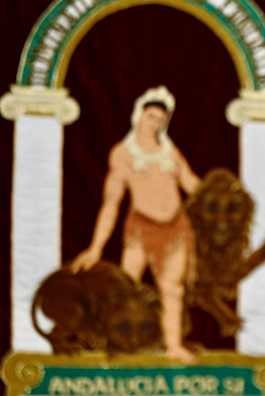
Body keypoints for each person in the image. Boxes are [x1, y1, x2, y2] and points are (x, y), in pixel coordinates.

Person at [71, 85, 201, 363]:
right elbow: (110, 203)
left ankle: (174, 345)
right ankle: (117, 344)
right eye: (151, 116)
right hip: (141, 228)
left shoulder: (170, 152)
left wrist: (215, 196)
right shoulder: (123, 154)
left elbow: (191, 184)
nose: (155, 122)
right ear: (139, 115)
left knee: (172, 289)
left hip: (175, 227)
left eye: (161, 119)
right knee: (126, 287)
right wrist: (95, 248)